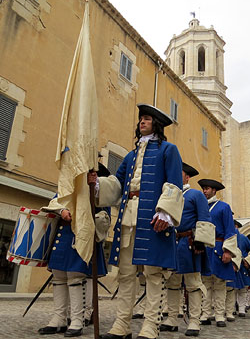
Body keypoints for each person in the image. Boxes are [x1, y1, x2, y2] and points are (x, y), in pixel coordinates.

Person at [89, 103, 184, 339]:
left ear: (157, 124)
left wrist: (166, 213)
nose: (142, 122)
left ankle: (151, 325)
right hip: (128, 218)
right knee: (126, 273)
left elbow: (174, 183)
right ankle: (122, 325)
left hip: (153, 219)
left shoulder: (168, 150)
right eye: (141, 119)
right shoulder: (131, 155)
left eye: (147, 119)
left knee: (153, 273)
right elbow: (118, 184)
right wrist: (98, 184)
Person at [38, 163, 111, 337]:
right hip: (64, 235)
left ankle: (77, 320)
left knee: (75, 276)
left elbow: (104, 218)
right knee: (58, 276)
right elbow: (55, 201)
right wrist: (62, 210)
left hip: (81, 237)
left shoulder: (99, 192)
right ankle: (59, 319)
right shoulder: (69, 188)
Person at [160, 162, 211, 337]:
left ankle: (195, 321)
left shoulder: (196, 195)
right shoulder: (169, 195)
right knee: (172, 282)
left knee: (193, 283)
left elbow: (204, 218)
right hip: (172, 243)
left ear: (187, 177)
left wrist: (200, 242)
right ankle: (172, 319)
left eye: (178, 172)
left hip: (190, 243)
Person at [198, 179, 239, 328]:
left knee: (220, 283)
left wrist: (228, 250)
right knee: (205, 283)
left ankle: (220, 314)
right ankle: (205, 313)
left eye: (207, 189)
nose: (205, 191)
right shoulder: (201, 206)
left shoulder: (224, 207)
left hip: (219, 247)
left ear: (214, 191)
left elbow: (230, 229)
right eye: (203, 188)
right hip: (204, 248)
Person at [226, 220, 250, 319]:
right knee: (236, 289)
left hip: (239, 266)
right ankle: (238, 309)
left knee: (236, 289)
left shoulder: (240, 238)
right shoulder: (242, 238)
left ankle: (235, 309)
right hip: (234, 266)